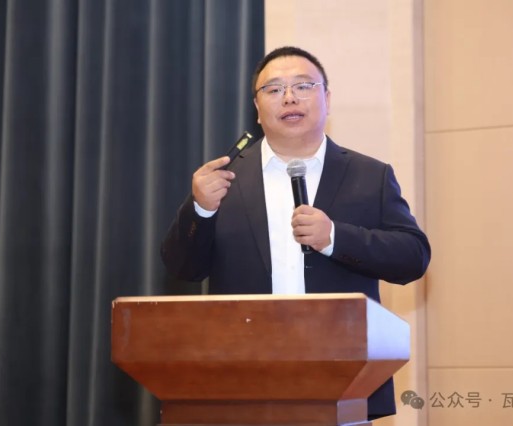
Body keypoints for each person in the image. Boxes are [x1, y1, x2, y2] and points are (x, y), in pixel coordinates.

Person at [162, 46, 431, 420]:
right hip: (241, 378)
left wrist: (335, 237)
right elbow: (183, 268)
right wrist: (201, 209)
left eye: (303, 86)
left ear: (327, 99)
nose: (289, 97)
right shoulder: (223, 179)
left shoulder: (370, 175)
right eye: (273, 89)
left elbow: (413, 257)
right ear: (257, 109)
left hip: (343, 375)